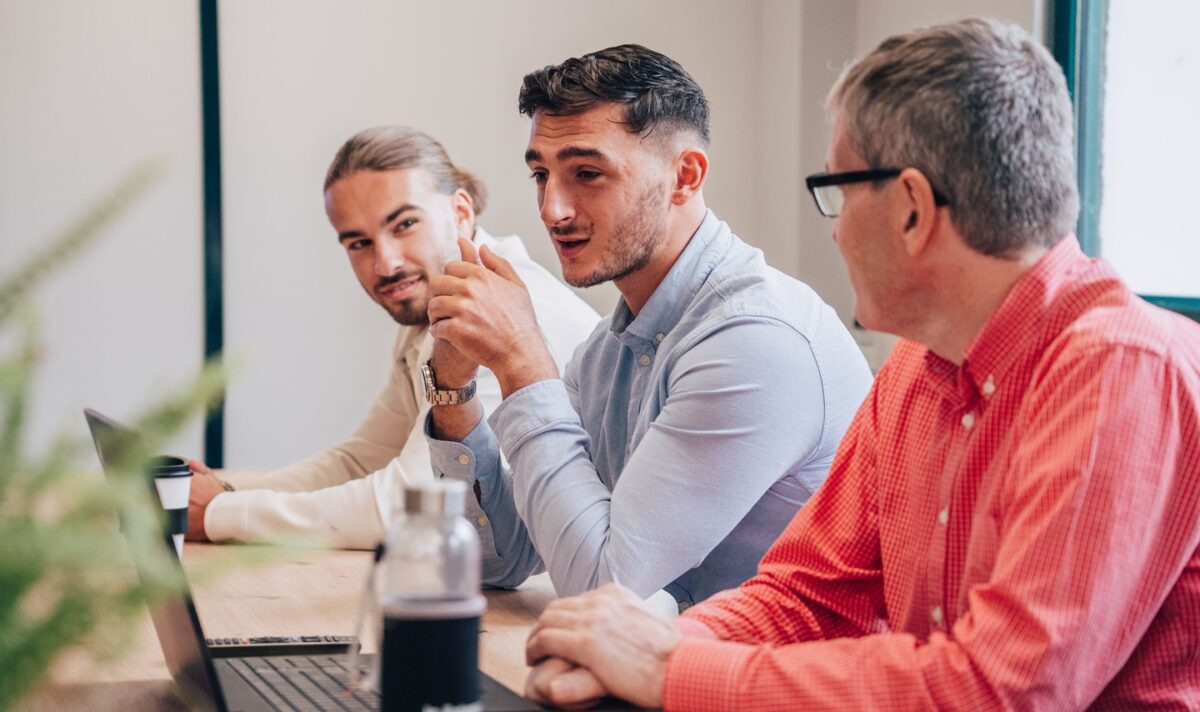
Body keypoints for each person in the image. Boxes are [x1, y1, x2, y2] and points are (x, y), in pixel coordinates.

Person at [521, 19, 1200, 710]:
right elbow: (808, 596)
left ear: (911, 209)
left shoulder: (1121, 371)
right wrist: (638, 652)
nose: (837, 228)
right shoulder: (914, 369)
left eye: (838, 193)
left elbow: (1003, 691)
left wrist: (670, 672)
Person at [423, 44, 872, 607]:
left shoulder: (754, 340)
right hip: (670, 671)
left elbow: (606, 590)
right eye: (541, 174)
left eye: (587, 173)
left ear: (685, 176)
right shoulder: (610, 347)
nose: (551, 210)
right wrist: (453, 390)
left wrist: (522, 362)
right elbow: (502, 558)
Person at [185, 126, 599, 553]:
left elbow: (414, 505)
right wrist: (223, 488)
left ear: (461, 212)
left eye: (404, 224)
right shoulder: (430, 309)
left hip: (566, 599)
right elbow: (361, 461)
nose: (385, 263)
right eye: (359, 242)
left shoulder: (504, 309)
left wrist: (218, 513)